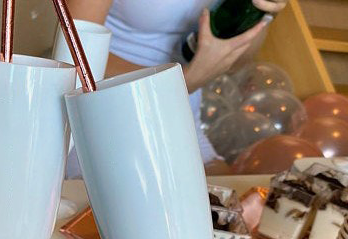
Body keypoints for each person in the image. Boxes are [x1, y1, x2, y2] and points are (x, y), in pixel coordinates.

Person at [65, 0, 287, 174]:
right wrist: (178, 82)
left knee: (232, 214)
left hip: (180, 116)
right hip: (102, 113)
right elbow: (74, 52)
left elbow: (238, 61)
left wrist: (261, 13)